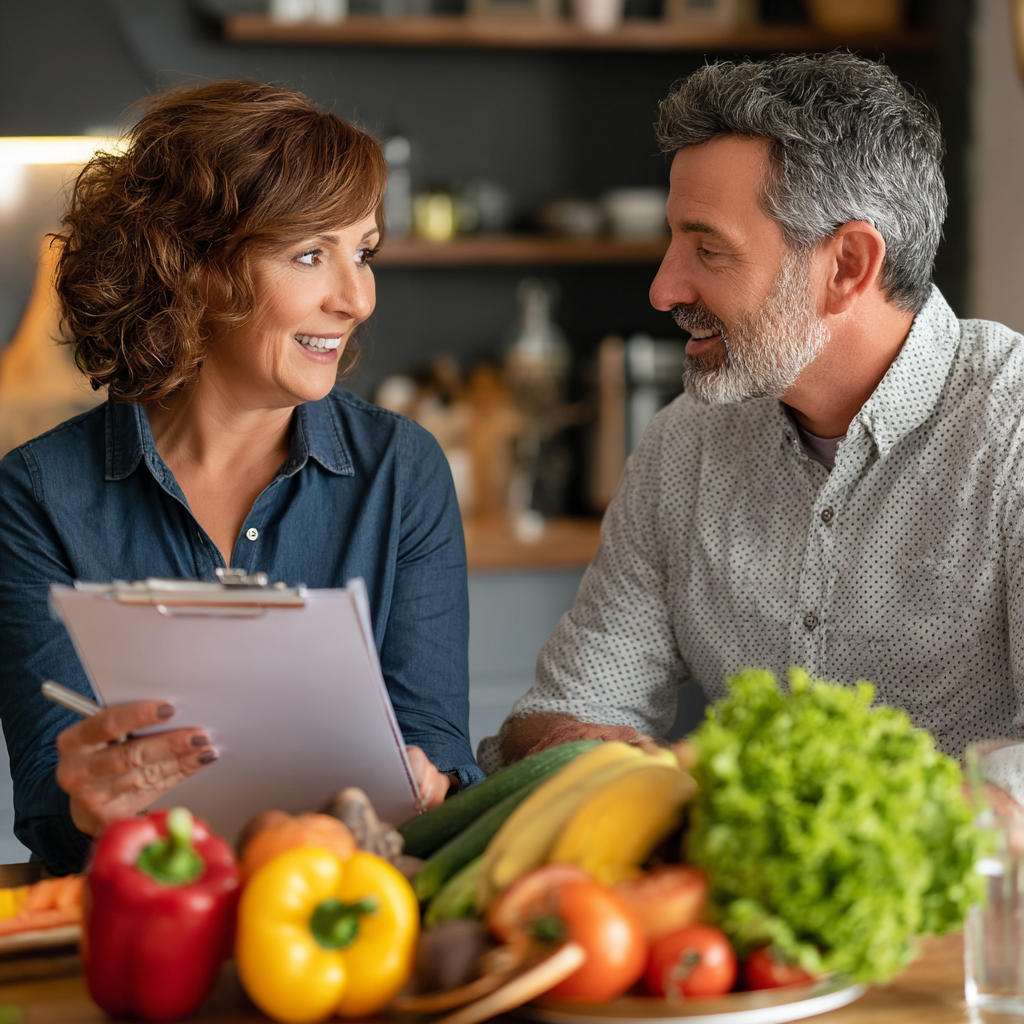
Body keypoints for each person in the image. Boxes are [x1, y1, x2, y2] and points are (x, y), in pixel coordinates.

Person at [478, 51, 1024, 772]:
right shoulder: (684, 445)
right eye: (673, 241)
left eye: (708, 249)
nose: (664, 288)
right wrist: (570, 746)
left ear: (848, 265)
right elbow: (578, 702)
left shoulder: (1010, 428)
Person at [0, 81, 482, 875]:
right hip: (149, 922)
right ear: (192, 267)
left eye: (362, 252)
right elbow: (53, 817)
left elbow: (441, 758)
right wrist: (87, 803)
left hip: (343, 923)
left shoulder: (401, 471)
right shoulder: (38, 496)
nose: (356, 297)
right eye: (308, 255)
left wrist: (429, 784)